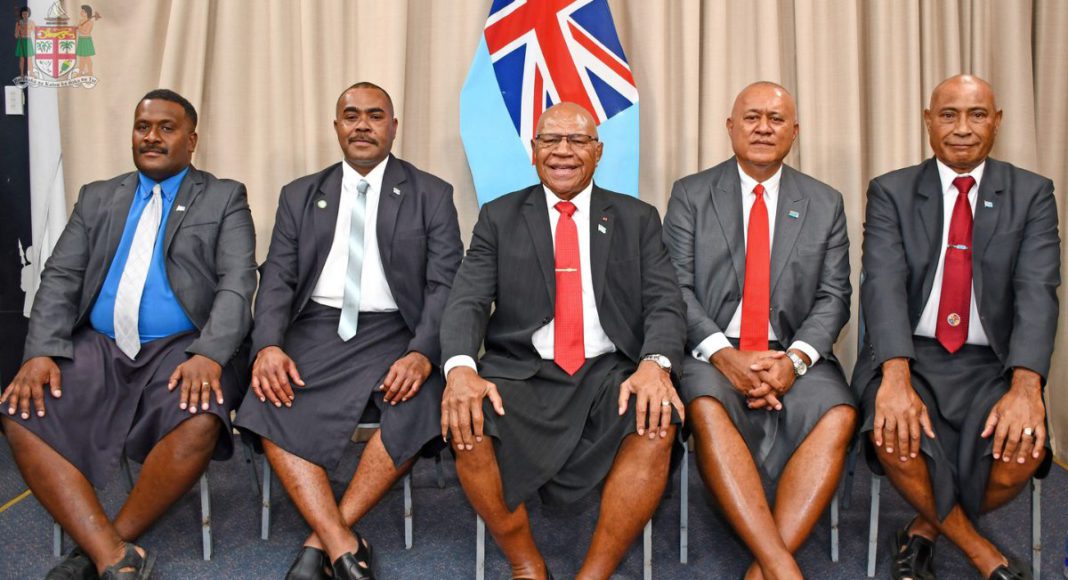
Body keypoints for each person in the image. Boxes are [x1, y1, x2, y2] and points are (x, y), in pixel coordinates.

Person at [1, 89, 256, 579]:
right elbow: (60, 277)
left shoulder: (224, 197)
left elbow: (238, 282)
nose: (152, 137)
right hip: (99, 345)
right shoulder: (98, 197)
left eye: (166, 128)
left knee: (200, 418)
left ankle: (103, 544)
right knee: (20, 409)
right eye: (143, 127)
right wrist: (41, 351)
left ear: (191, 140)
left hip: (183, 348)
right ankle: (114, 557)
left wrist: (210, 353)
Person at [440, 102, 687, 580]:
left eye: (577, 140)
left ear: (599, 151)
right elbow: (467, 300)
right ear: (533, 151)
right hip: (523, 370)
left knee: (657, 419)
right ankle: (526, 562)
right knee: (466, 418)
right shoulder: (499, 217)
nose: (563, 151)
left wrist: (655, 364)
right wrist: (461, 368)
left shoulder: (637, 218)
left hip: (608, 370)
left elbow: (664, 302)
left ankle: (593, 574)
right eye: (550, 140)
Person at [235, 82, 462, 580]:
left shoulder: (432, 194)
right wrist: (267, 345)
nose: (363, 125)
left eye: (375, 116)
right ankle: (342, 543)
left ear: (393, 127)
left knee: (420, 399)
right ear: (336, 126)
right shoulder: (300, 195)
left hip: (398, 329)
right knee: (267, 393)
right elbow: (277, 279)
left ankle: (320, 541)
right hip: (316, 326)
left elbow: (445, 284)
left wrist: (423, 352)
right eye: (351, 115)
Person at [853, 74, 1059, 580]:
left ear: (997, 122)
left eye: (977, 115)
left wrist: (1026, 386)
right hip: (910, 354)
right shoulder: (891, 191)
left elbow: (1037, 291)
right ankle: (983, 555)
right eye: (948, 115)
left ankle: (923, 529)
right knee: (891, 432)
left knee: (1022, 451)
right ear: (929, 121)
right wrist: (894, 377)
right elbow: (882, 286)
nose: (962, 128)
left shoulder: (1032, 193)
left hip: (992, 362)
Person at [662, 81, 856, 580]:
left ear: (795, 131)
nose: (763, 128)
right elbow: (674, 288)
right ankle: (781, 567)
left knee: (838, 413)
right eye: (752, 117)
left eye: (776, 119)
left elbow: (834, 296)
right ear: (731, 127)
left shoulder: (824, 201)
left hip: (794, 351)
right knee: (705, 407)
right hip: (711, 351)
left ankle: (763, 568)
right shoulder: (691, 194)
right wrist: (723, 355)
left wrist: (794, 361)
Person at [74, 5, 101, 77]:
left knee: (87, 58)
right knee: (81, 58)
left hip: (86, 41)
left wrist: (79, 28)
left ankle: (90, 72)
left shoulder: (90, 22)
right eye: (81, 11)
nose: (81, 12)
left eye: (83, 11)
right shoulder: (80, 21)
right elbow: (77, 28)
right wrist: (77, 27)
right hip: (81, 40)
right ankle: (80, 73)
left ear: (87, 13)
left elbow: (86, 32)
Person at [14, 6, 34, 78]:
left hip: (28, 41)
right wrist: (18, 32)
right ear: (21, 14)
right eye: (23, 14)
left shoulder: (31, 22)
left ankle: (31, 73)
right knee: (21, 59)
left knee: (30, 59)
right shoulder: (18, 23)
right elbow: (16, 35)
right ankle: (22, 73)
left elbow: (35, 32)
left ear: (28, 14)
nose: (25, 15)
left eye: (26, 14)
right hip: (21, 41)